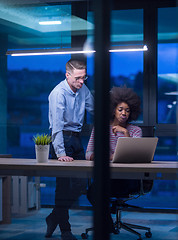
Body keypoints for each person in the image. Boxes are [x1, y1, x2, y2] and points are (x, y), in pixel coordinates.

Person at [47, 59, 94, 240]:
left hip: (76, 139)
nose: (81, 82)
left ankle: (54, 216)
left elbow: (95, 109)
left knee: (81, 184)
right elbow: (57, 125)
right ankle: (65, 230)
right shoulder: (58, 93)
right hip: (62, 140)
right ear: (67, 75)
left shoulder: (83, 90)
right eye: (78, 78)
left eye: (84, 77)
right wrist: (60, 153)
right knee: (63, 186)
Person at [85, 86, 142, 233]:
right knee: (92, 192)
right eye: (120, 109)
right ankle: (108, 221)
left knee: (98, 190)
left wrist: (126, 133)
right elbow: (89, 153)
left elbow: (134, 155)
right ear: (113, 110)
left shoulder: (135, 130)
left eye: (127, 110)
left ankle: (106, 223)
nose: (124, 113)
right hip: (108, 176)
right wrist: (109, 157)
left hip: (128, 178)